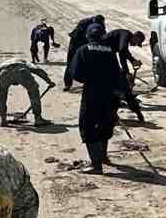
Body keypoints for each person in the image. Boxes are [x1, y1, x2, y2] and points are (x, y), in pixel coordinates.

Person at [70, 23, 126, 173]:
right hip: (110, 94)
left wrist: (90, 78)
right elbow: (118, 73)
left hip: (92, 93)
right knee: (105, 123)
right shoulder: (110, 51)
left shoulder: (83, 50)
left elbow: (76, 74)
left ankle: (96, 165)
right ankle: (103, 156)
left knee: (87, 126)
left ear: (88, 35)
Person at [104, 28, 147, 123]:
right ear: (136, 37)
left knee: (120, 82)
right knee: (119, 83)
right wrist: (126, 71)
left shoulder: (125, 37)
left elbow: (124, 51)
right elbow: (122, 51)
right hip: (104, 55)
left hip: (107, 54)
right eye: (137, 43)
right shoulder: (126, 35)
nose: (135, 45)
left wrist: (132, 60)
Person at [0, 59, 53, 128]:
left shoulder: (3, 64)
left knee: (2, 94)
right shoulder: (25, 62)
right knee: (33, 90)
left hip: (4, 72)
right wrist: (49, 81)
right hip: (21, 71)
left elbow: (1, 75)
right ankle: (38, 119)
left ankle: (3, 120)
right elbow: (38, 70)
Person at [63, 14, 105, 90]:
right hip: (75, 43)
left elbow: (103, 35)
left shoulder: (100, 24)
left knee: (90, 63)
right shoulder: (84, 23)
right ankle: (68, 84)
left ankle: (89, 81)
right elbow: (76, 35)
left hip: (87, 44)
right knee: (70, 62)